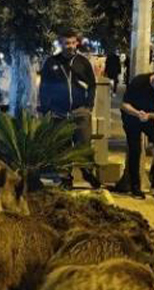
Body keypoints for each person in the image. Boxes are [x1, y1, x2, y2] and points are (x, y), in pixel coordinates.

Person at [39, 29, 99, 188]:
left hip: (80, 112)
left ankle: (87, 173)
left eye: (73, 42)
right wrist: (46, 109)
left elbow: (92, 85)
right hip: (59, 113)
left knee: (83, 145)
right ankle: (66, 178)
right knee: (63, 147)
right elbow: (44, 87)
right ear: (60, 43)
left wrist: (89, 105)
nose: (71, 46)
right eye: (67, 43)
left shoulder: (83, 62)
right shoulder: (51, 63)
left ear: (77, 43)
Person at [116, 57, 154, 199]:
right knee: (135, 149)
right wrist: (137, 113)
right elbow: (124, 104)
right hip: (132, 116)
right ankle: (135, 186)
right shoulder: (139, 81)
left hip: (151, 117)